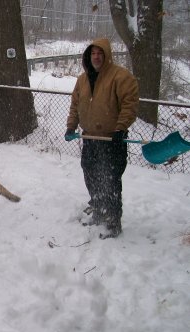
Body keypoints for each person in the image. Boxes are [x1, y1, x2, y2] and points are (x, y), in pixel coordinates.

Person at [64, 38, 139, 239]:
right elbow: (75, 105)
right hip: (90, 138)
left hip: (111, 140)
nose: (96, 56)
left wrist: (120, 129)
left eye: (100, 53)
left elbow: (129, 105)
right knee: (91, 174)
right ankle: (98, 210)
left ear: (107, 55)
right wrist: (71, 126)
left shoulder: (121, 77)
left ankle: (113, 222)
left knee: (111, 181)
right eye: (93, 53)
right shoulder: (82, 79)